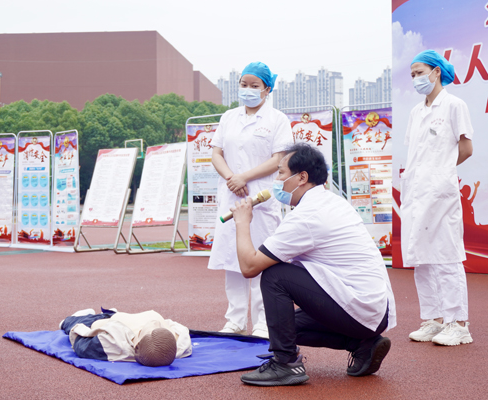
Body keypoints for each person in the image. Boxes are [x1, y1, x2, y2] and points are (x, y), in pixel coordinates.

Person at [230, 143, 396, 386]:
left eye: (281, 173)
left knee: (275, 275)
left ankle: (286, 364)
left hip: (360, 309)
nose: (277, 180)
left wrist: (242, 222)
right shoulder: (331, 201)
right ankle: (362, 344)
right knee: (286, 327)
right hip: (374, 311)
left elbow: (249, 267)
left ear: (302, 177)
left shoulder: (307, 215)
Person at [208, 62, 293, 338]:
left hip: (260, 197)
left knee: (260, 258)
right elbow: (216, 153)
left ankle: (262, 321)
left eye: (255, 86)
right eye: (244, 84)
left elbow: (279, 159)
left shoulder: (277, 119)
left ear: (267, 89)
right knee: (232, 258)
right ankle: (235, 319)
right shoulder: (229, 117)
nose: (248, 90)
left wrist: (244, 177)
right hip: (232, 194)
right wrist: (232, 177)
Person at [401, 50, 474, 346]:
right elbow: (415, 152)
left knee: (446, 255)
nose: (416, 79)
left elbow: (466, 149)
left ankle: (458, 324)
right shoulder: (416, 112)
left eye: (420, 72)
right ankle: (433, 319)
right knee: (421, 257)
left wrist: (440, 172)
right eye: (412, 75)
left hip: (440, 193)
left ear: (436, 72)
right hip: (416, 192)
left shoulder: (455, 105)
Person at [59, 308, 192, 367]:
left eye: (151, 327)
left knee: (76, 322)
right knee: (113, 315)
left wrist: (76, 329)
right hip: (125, 317)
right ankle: (111, 312)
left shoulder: (117, 344)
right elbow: (182, 333)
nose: (155, 323)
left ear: (137, 342)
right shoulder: (178, 342)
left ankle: (72, 319)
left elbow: (83, 346)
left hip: (105, 322)